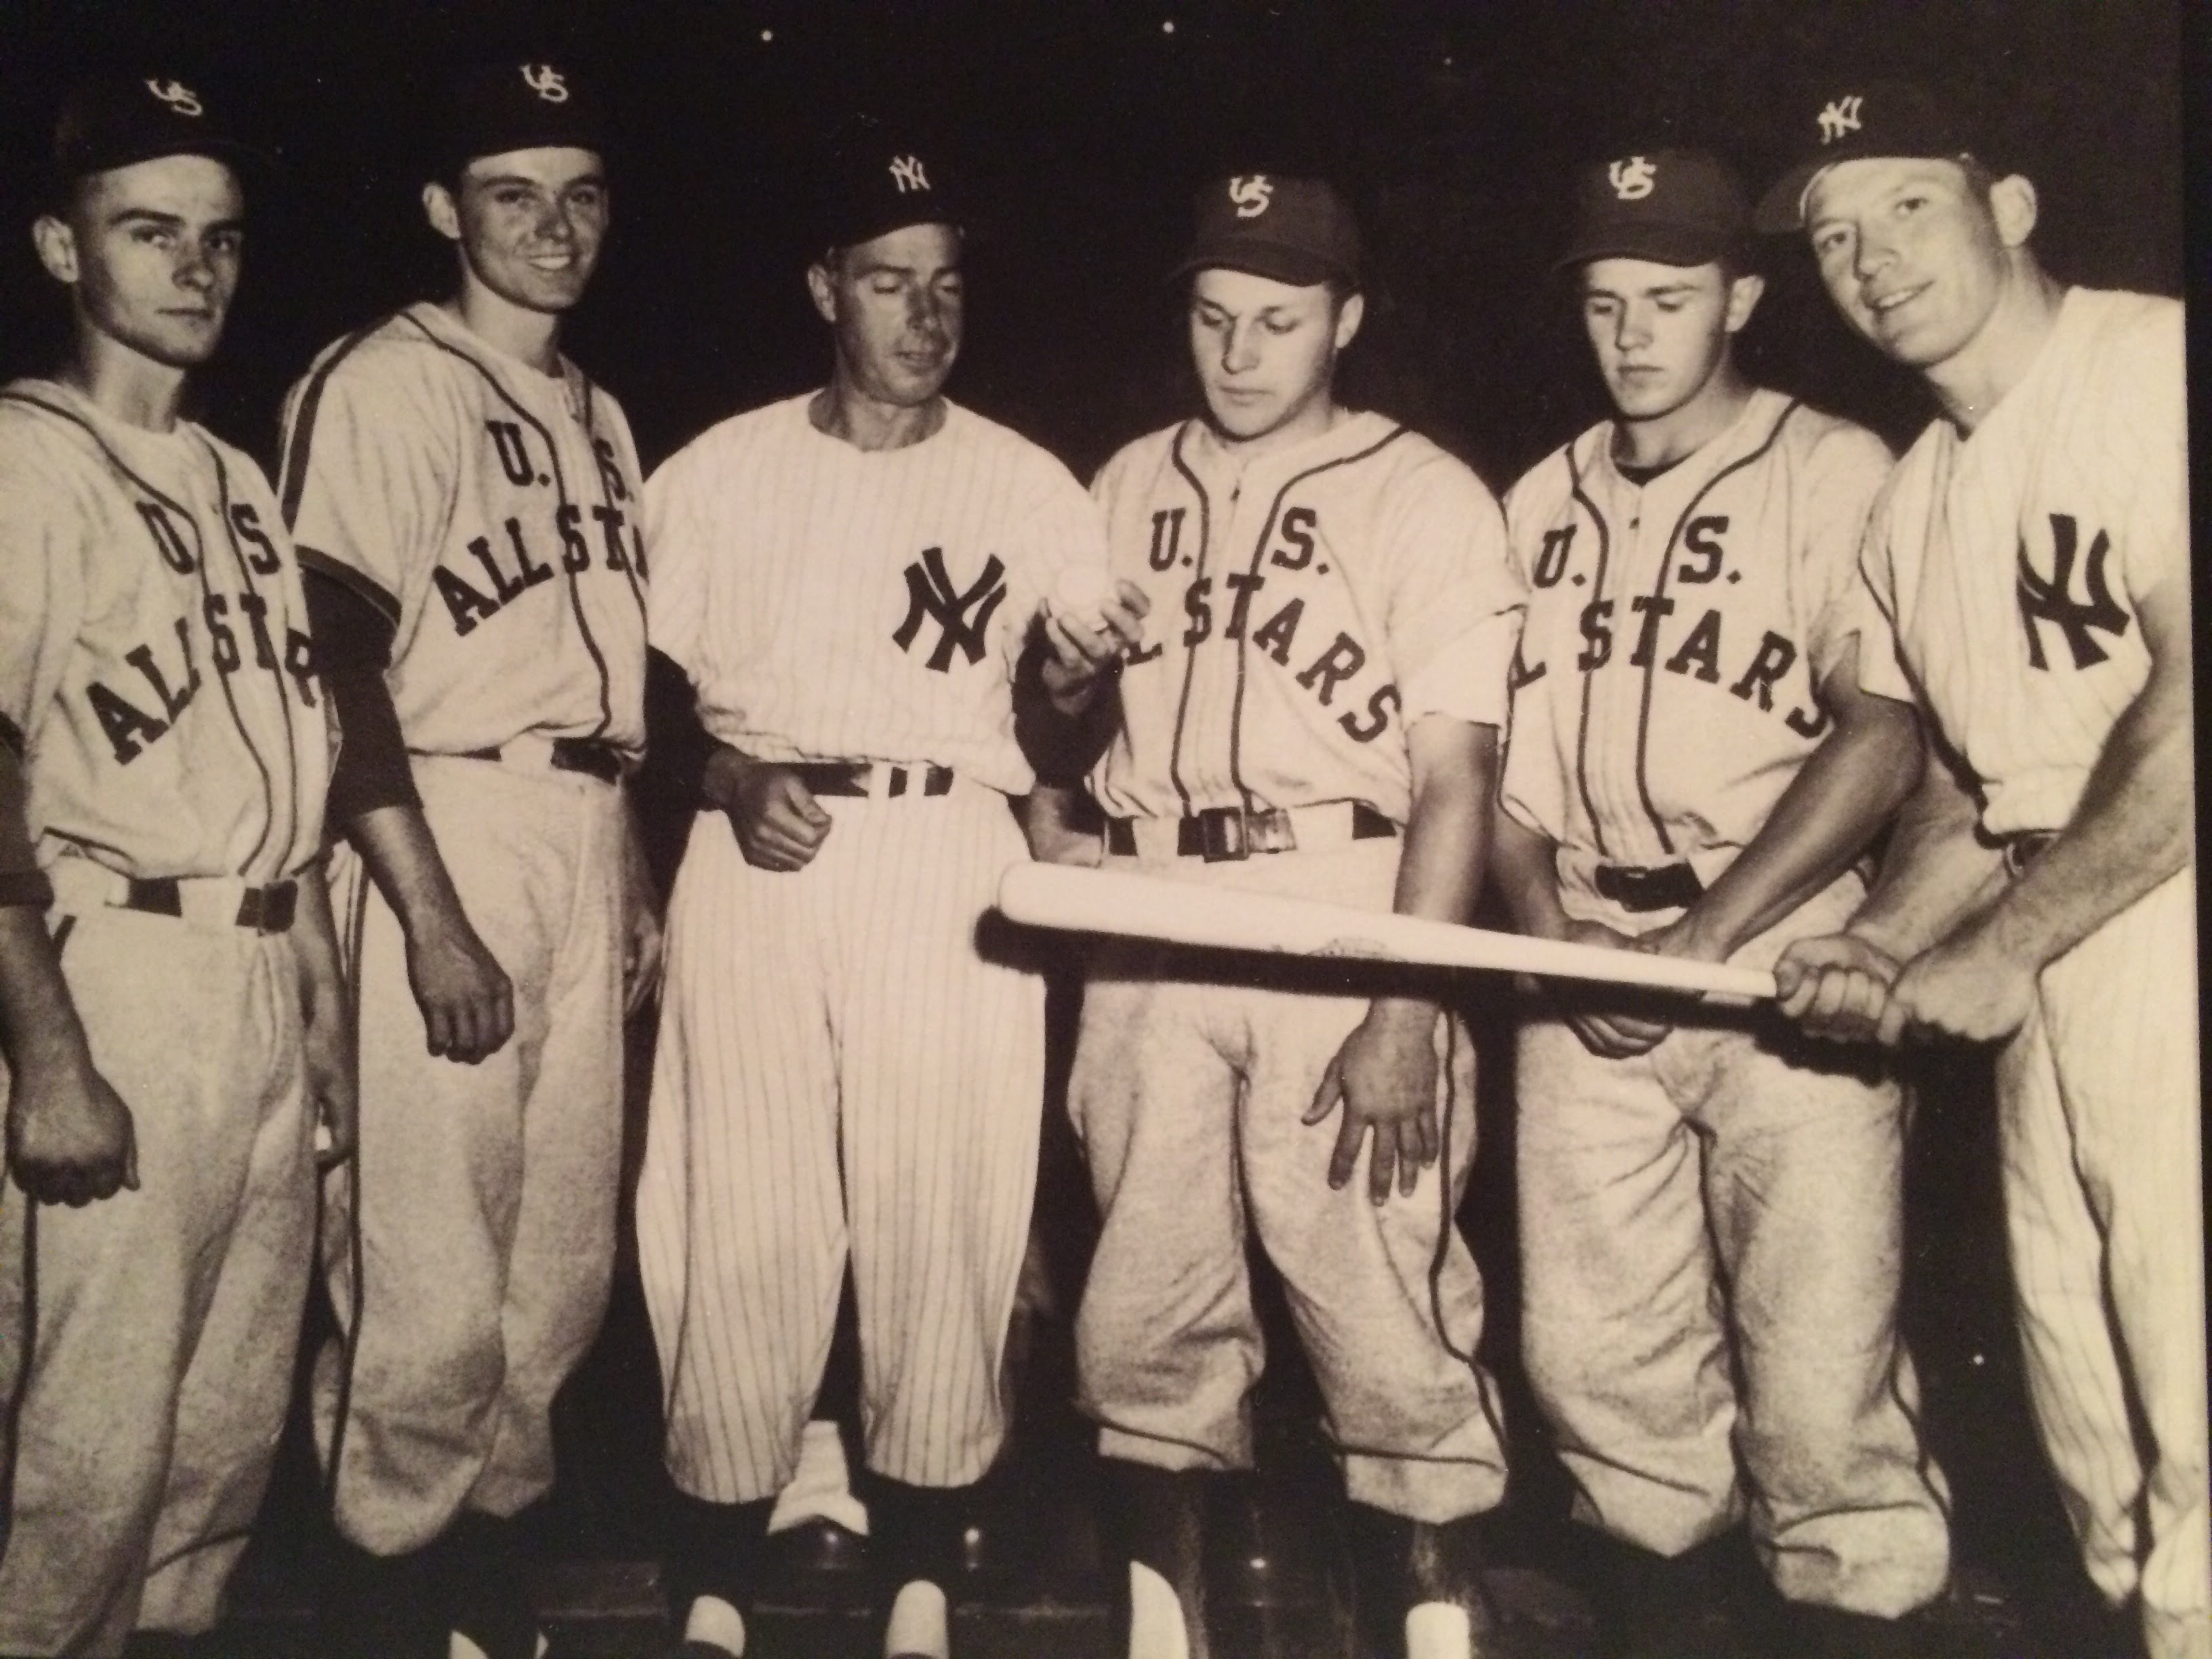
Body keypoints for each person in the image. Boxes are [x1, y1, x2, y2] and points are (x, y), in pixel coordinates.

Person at [635, 128, 1111, 1659]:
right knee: (740, 1213)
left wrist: (1068, 695)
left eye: (947, 285)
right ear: (824, 289)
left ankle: (924, 1564)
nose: (925, 314)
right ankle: (715, 1563)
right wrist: (720, 778)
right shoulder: (714, 472)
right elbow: (634, 709)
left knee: (943, 1208)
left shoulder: (1029, 481)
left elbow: (1058, 730)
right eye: (890, 281)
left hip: (946, 853)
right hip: (761, 847)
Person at [1038, 173, 1525, 1659]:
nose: (1239, 352)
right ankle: (1160, 1616)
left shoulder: (1426, 490)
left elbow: (1456, 778)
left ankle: (1431, 1609)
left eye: (1279, 320)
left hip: (1341, 892)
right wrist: (1063, 682)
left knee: (1376, 1282)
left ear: (1347, 322)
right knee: (1142, 1291)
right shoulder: (1122, 481)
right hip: (1153, 897)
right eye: (1213, 316)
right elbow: (1061, 732)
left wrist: (1405, 1002)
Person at [1759, 81, 2208, 1659]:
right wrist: (1885, 939)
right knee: (2098, 1434)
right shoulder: (1914, 497)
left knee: (2201, 1413)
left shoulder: (2150, 365)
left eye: (1906, 208)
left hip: (2165, 924)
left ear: (2008, 206)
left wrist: (2007, 945)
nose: (1870, 258)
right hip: (2046, 927)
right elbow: (1962, 779)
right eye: (1832, 235)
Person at [1488, 148, 1950, 1656]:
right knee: (1594, 1351)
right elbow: (1502, 776)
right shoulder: (1533, 496)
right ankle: (1664, 1602)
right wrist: (1553, 941)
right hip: (1584, 946)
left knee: (1818, 1360)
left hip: (1779, 956)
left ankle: (1860, 1609)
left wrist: (1702, 939)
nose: (1631, 333)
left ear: (1743, 298)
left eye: (1669, 299)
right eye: (1607, 301)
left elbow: (1880, 734)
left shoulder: (1834, 469)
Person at [275, 56, 657, 1658]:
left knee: (557, 1259)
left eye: (579, 196)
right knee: (429, 1259)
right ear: (446, 211)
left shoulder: (604, 408)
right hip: (436, 816)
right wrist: (425, 916)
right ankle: (385, 1578)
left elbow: (607, 679)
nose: (554, 227)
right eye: (514, 195)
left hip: (578, 818)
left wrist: (628, 865)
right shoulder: (387, 381)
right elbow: (335, 666)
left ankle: (487, 1582)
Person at [0, 73, 351, 1655]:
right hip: (118, 966)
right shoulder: (24, 461)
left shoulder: (239, 482)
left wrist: (321, 1004)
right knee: (92, 1443)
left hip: (260, 968)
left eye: (218, 237)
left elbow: (299, 774)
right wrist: (50, 1057)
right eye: (150, 232)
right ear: (63, 251)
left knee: (219, 1438)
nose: (196, 266)